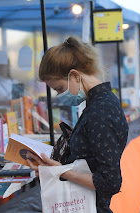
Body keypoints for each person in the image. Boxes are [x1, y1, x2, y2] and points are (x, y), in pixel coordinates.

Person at [26, 37, 129, 213]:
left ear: (74, 75)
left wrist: (61, 172)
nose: (59, 95)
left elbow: (110, 182)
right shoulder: (100, 103)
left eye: (59, 88)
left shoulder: (100, 111)